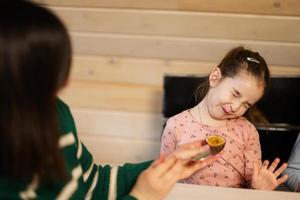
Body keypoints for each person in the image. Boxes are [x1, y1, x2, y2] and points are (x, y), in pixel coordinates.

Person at [0, 1, 222, 199]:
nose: (66, 82)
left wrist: (167, 162)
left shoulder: (56, 113)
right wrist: (143, 196)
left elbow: (91, 183)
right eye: (54, 74)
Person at [160, 46, 289, 190]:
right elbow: (162, 178)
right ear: (215, 77)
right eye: (235, 94)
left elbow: (251, 184)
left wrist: (259, 188)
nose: (235, 107)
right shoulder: (176, 125)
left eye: (246, 105)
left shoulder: (247, 131)